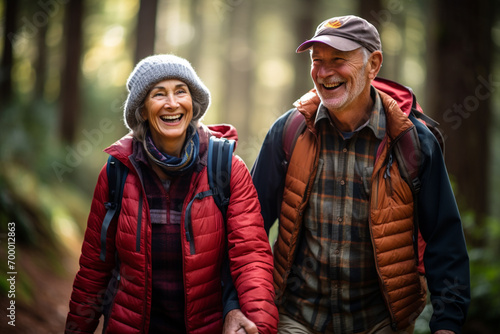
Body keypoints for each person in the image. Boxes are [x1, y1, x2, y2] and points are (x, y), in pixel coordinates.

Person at [251, 15, 470, 334]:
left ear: (374, 64)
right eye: (317, 61)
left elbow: (444, 240)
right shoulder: (289, 132)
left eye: (338, 60)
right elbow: (250, 229)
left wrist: (447, 324)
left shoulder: (412, 142)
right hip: (296, 317)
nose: (324, 72)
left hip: (380, 323)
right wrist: (245, 305)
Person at [65, 54, 278, 333]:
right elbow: (95, 268)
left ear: (194, 103)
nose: (172, 103)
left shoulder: (226, 168)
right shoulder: (117, 172)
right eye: (159, 94)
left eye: (181, 91)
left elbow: (251, 256)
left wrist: (259, 326)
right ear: (142, 110)